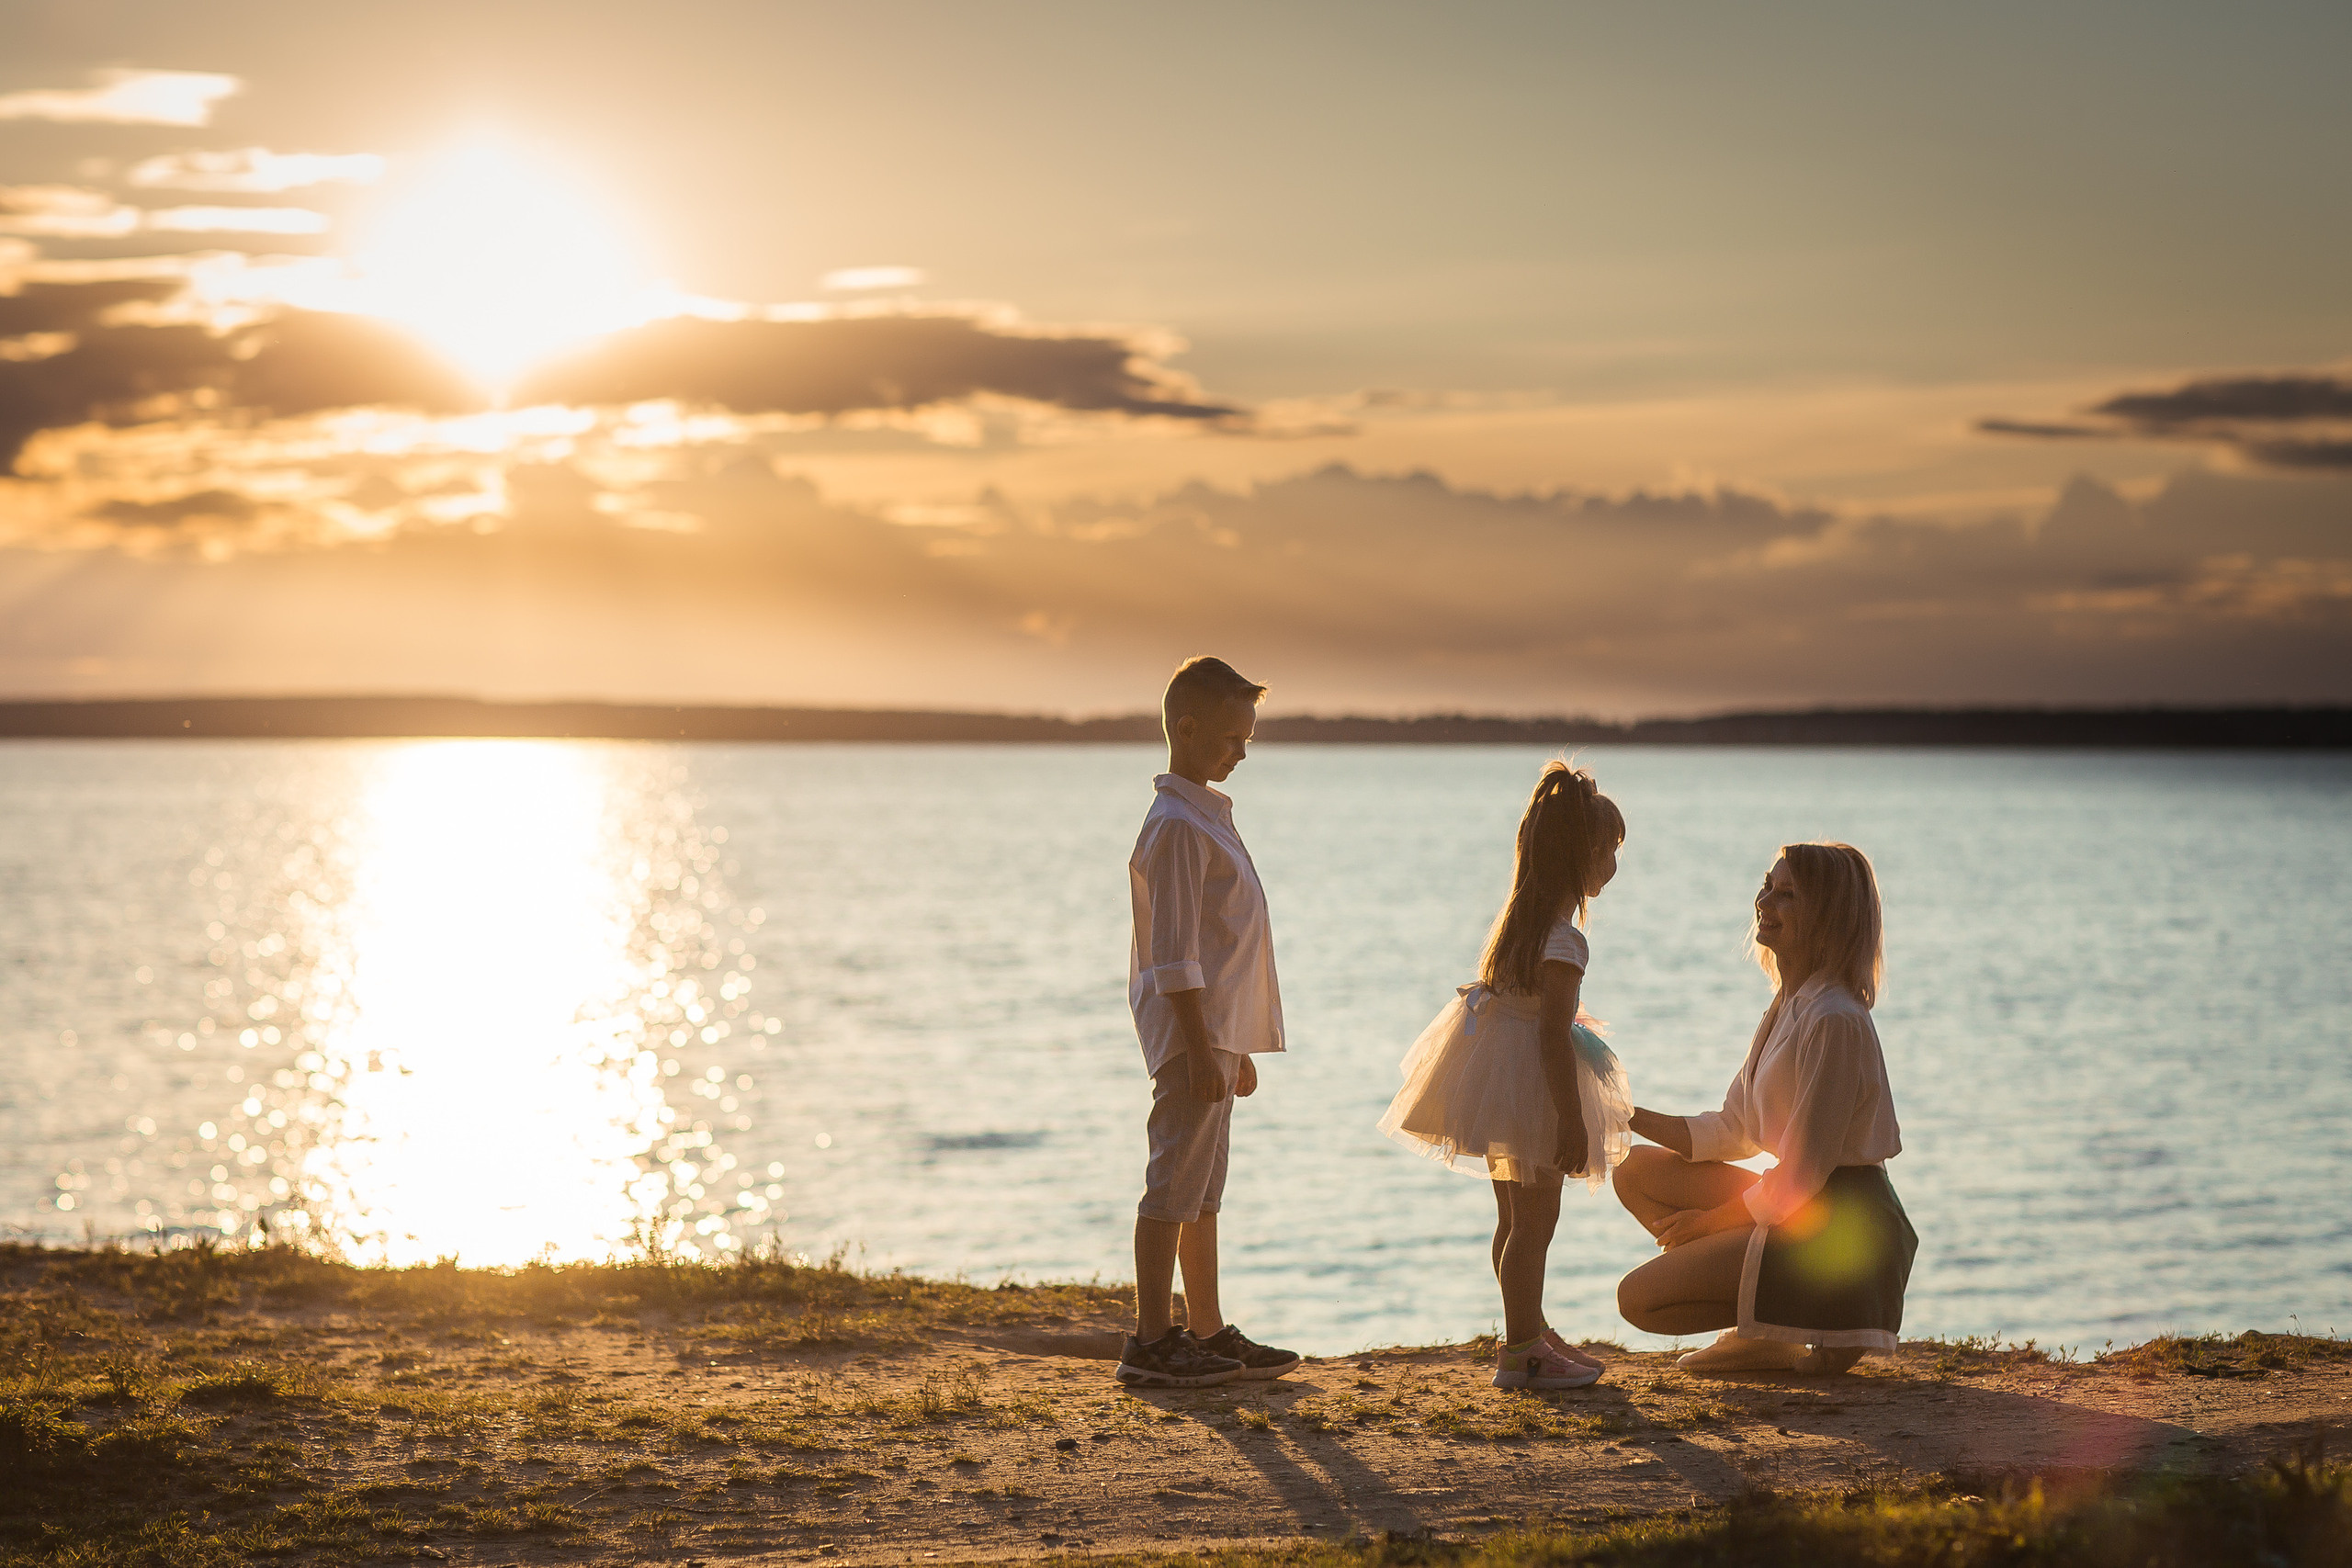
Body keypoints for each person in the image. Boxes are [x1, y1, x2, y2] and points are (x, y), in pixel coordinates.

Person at [1612, 841, 1916, 1375]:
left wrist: (1706, 1226)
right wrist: (1620, 1112)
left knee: (1638, 1300)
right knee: (1634, 1169)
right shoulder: (1788, 1005)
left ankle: (1792, 1322)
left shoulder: (1834, 1019)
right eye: (1767, 887)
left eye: (1787, 895)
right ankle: (1766, 1331)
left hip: (1842, 1228)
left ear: (1829, 918)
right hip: (1802, 1211)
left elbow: (1800, 1178)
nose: (1765, 902)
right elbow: (1734, 1129)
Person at [1378, 761, 1633, 1390]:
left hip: (1496, 1073)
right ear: (1585, 855)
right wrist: (1570, 1119)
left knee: (1512, 1221)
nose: (1614, 865)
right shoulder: (1565, 940)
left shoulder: (1517, 924)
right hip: (1533, 1086)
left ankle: (1529, 1328)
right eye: (1611, 851)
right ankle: (1522, 1351)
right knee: (1535, 1224)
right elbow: (1550, 1036)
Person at [1115, 656, 1302, 1388]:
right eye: (1232, 737)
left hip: (1214, 1036)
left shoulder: (1202, 815)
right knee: (1173, 1183)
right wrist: (1199, 1046)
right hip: (1190, 1036)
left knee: (1203, 1189)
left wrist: (1236, 1043)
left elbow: (1225, 948)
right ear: (1187, 730)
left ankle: (1207, 1327)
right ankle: (1152, 1338)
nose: (1243, 751)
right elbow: (1176, 957)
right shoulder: (1175, 828)